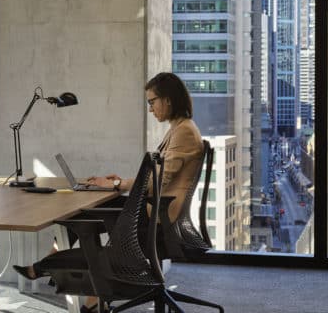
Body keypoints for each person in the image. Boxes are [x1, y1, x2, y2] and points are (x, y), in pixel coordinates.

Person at [13, 72, 203, 309]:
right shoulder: (180, 128)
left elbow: (159, 181)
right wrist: (119, 181)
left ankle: (64, 280)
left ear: (168, 100)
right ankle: (51, 268)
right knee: (87, 214)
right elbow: (158, 178)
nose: (150, 108)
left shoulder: (184, 131)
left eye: (152, 101)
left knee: (88, 221)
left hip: (160, 218)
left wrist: (115, 185)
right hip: (157, 209)